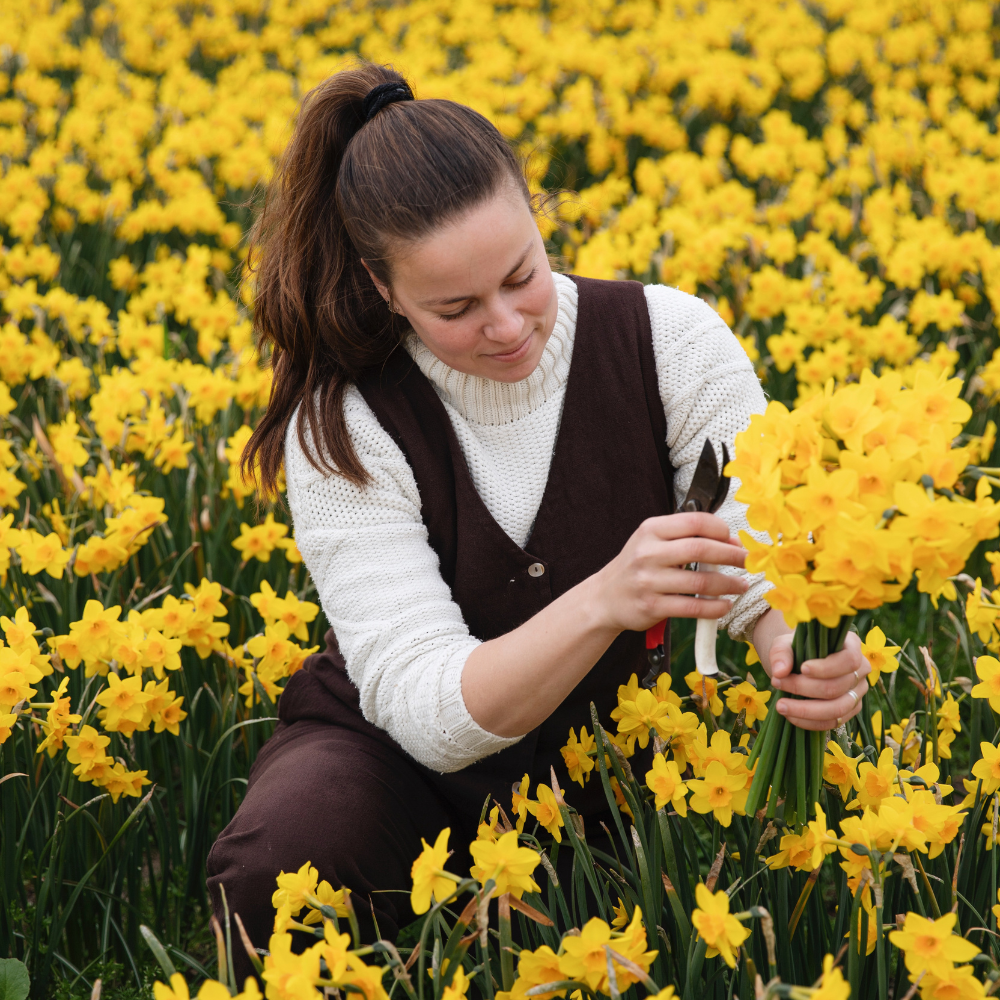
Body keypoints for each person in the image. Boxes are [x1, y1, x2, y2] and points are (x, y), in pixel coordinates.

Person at [206, 62, 868, 973]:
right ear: (382, 286)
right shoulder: (345, 427)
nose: (509, 325)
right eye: (455, 308)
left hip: (615, 747)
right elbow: (432, 717)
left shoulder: (668, 339)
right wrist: (605, 599)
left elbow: (763, 552)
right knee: (278, 867)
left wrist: (805, 658)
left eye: (523, 275)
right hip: (403, 762)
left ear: (536, 213)